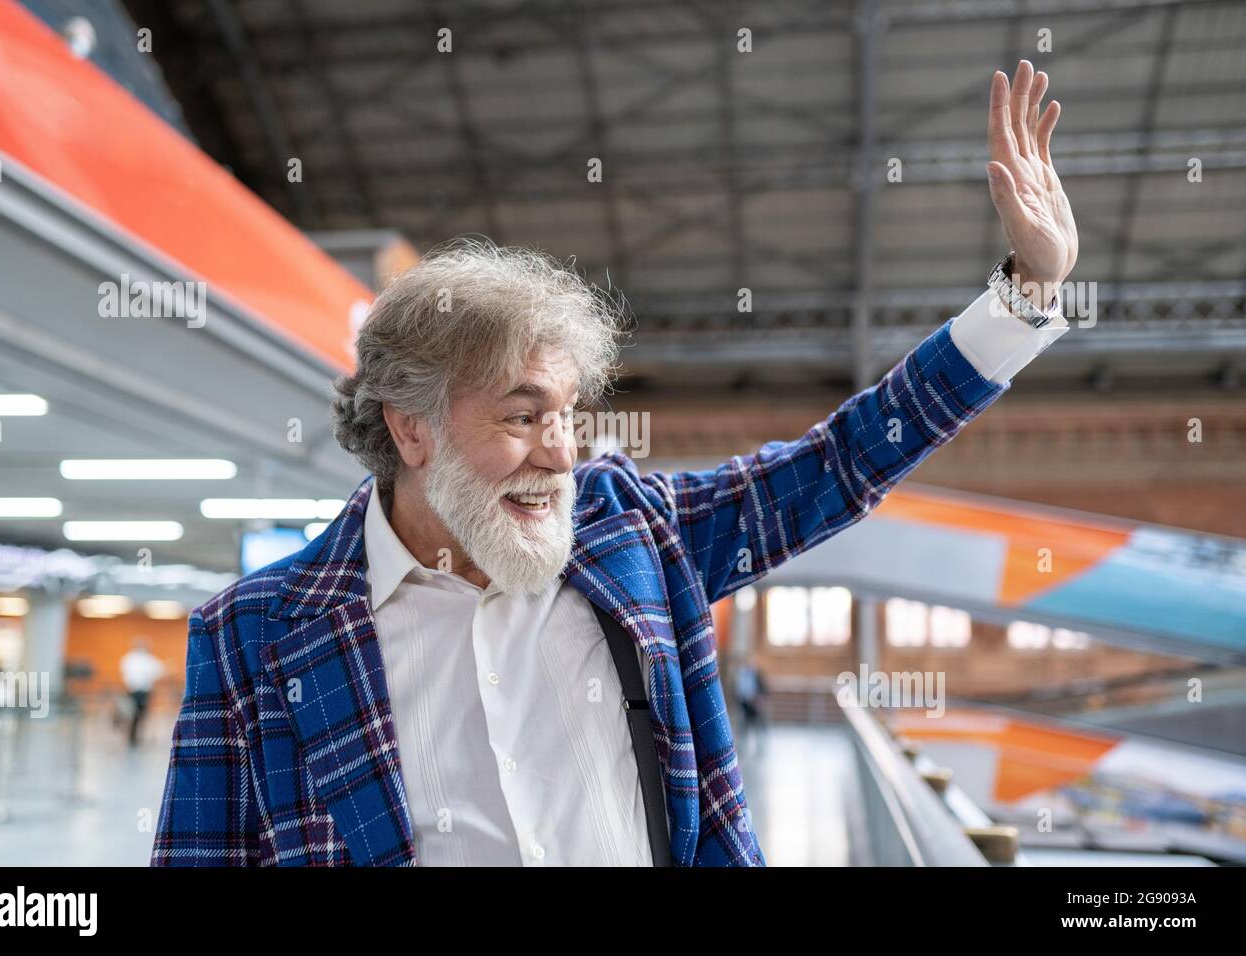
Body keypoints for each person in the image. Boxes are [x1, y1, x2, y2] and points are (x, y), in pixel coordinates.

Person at [153, 62, 1077, 867]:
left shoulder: (629, 531)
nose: (560, 452)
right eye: (521, 417)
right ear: (412, 431)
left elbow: (838, 463)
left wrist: (1023, 297)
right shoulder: (253, 639)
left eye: (566, 415)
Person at [119, 638, 164, 748]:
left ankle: (135, 737)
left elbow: (158, 670)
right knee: (133, 715)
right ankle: (131, 737)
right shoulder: (130, 658)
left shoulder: (147, 659)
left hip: (144, 691)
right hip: (134, 691)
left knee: (140, 715)